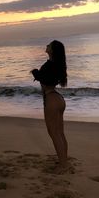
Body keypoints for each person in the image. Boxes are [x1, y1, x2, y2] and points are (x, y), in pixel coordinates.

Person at [31, 40, 68, 172]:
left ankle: (63, 165)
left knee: (54, 133)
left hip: (51, 99)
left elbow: (46, 80)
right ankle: (64, 161)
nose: (46, 46)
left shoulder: (50, 65)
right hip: (58, 99)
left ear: (52, 50)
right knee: (60, 133)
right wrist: (38, 74)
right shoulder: (57, 65)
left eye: (49, 45)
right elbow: (49, 79)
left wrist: (36, 73)